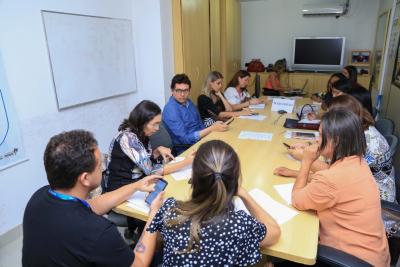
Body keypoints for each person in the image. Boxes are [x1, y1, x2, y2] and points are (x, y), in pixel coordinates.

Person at [22, 130, 163, 267]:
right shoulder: (99, 231)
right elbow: (139, 264)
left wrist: (135, 186)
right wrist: (153, 215)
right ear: (85, 178)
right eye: (99, 164)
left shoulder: (39, 197)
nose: (103, 166)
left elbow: (92, 205)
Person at [146, 140, 281, 266]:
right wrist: (245, 195)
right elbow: (274, 234)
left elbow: (156, 244)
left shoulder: (170, 209)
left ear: (193, 177)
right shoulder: (240, 225)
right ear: (234, 180)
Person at [287, 109, 390, 266]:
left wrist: (306, 162)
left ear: (335, 141)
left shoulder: (331, 179)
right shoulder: (358, 161)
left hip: (348, 259)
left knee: (288, 250)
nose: (316, 140)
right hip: (375, 257)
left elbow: (297, 199)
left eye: (321, 135)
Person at [276, 95, 395, 202]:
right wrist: (309, 146)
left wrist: (303, 161)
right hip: (359, 192)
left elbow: (332, 175)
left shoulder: (363, 141)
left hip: (380, 202)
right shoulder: (355, 131)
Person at [106, 100, 193, 192]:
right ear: (142, 122)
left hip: (137, 183)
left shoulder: (142, 133)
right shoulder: (128, 138)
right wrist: (185, 162)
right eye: (154, 124)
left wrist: (157, 151)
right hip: (121, 190)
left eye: (158, 123)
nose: (157, 128)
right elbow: (151, 171)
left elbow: (144, 160)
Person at [163, 74, 228, 153]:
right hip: (188, 149)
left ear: (189, 90)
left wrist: (210, 134)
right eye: (178, 91)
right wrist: (210, 129)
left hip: (202, 141)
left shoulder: (189, 102)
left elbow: (200, 124)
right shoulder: (171, 109)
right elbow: (184, 139)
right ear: (172, 90)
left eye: (186, 90)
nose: (183, 94)